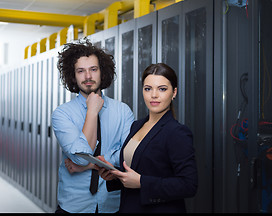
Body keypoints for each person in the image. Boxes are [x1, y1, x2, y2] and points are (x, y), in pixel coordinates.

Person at [97, 63, 198, 213]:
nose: (154, 95)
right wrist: (115, 176)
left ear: (174, 92)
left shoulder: (177, 132)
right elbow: (140, 168)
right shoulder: (136, 126)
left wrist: (142, 182)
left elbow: (189, 185)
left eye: (162, 89)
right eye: (148, 89)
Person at [51, 39, 134, 213]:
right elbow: (80, 157)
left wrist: (88, 165)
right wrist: (92, 111)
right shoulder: (62, 114)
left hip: (112, 204)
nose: (88, 76)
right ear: (73, 76)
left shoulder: (123, 111)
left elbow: (127, 157)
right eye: (81, 71)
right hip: (74, 205)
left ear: (102, 73)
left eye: (93, 69)